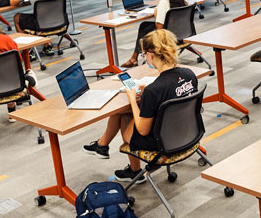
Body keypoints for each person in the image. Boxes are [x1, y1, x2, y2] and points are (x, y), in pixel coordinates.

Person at [83, 29, 199, 182]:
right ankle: (104, 147)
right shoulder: (189, 74)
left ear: (151, 55)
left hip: (162, 143)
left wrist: (132, 98)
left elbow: (143, 131)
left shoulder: (154, 90)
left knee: (125, 115)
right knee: (131, 112)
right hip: (186, 133)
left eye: (144, 55)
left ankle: (132, 169)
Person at [121, 0, 187, 68]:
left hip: (169, 36)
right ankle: (134, 58)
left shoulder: (163, 3)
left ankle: (134, 58)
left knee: (144, 27)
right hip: (184, 32)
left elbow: (159, 31)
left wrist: (156, 15)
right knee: (145, 25)